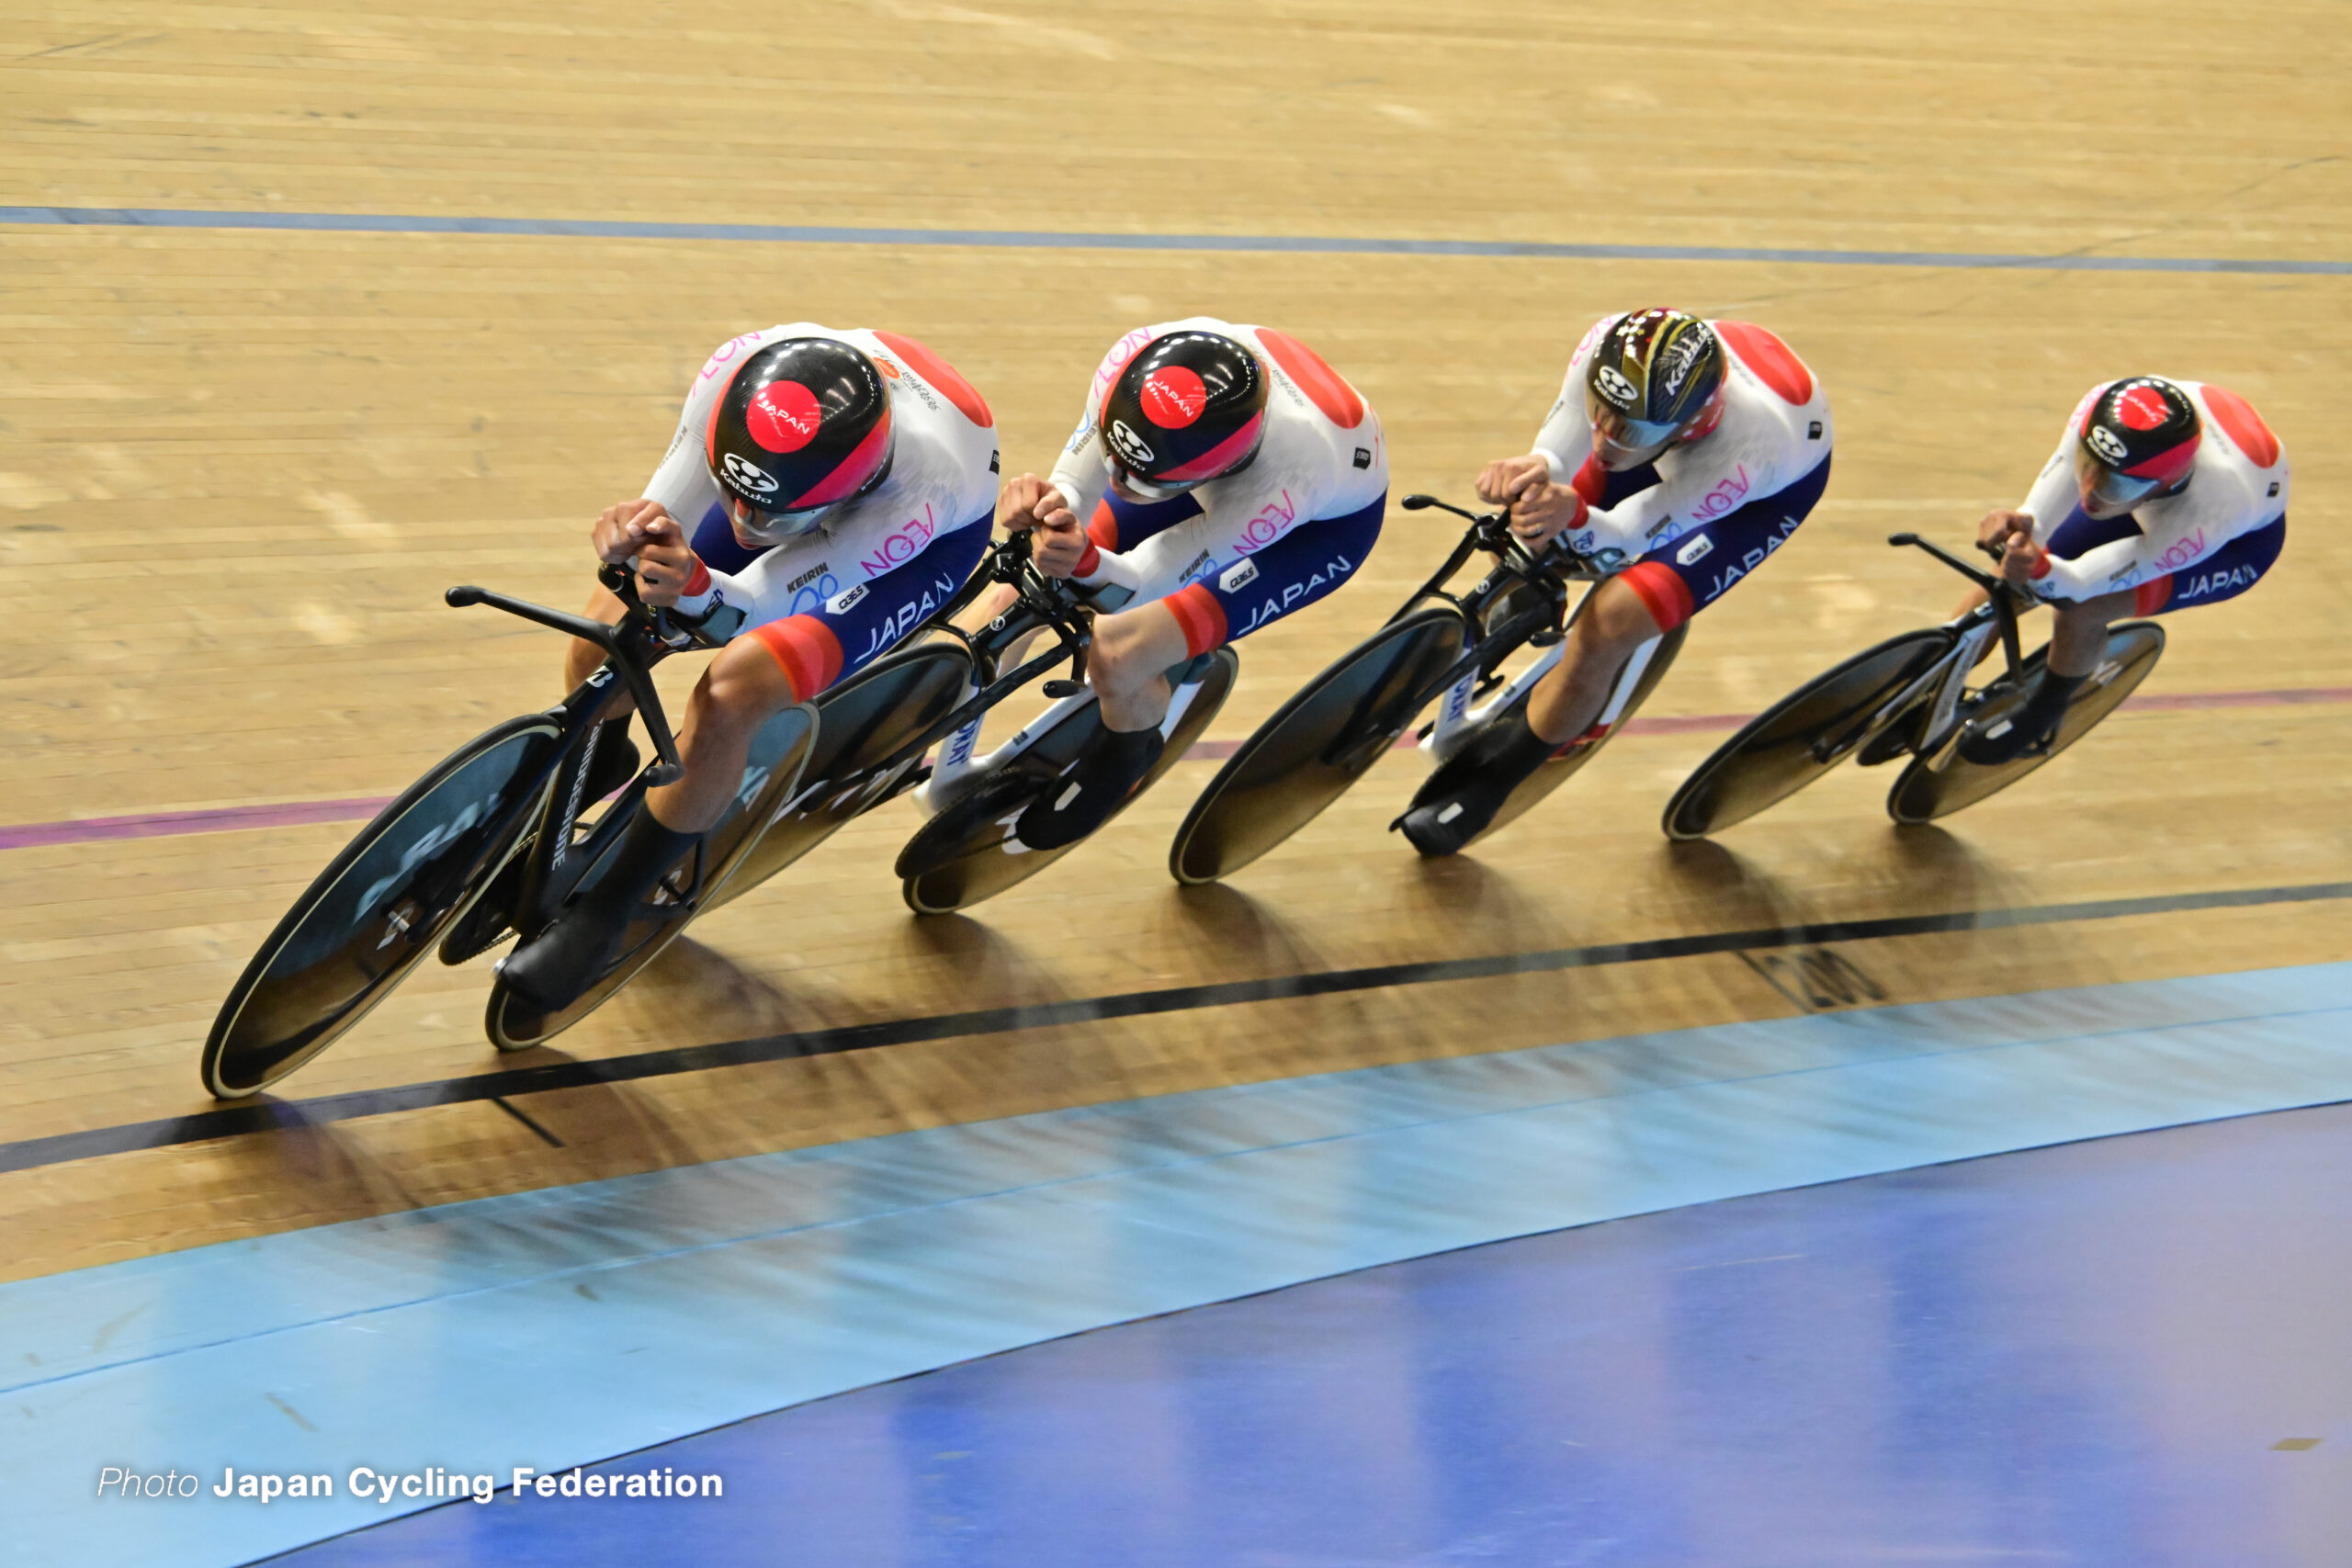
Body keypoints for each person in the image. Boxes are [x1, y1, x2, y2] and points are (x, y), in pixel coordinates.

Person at [500, 325, 1001, 1010]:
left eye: (767, 513)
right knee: (609, 625)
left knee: (735, 691)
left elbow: (753, 605)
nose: (743, 521)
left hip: (917, 547)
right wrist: (629, 541)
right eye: (734, 495)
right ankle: (605, 753)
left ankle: (608, 909)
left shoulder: (916, 498)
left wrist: (700, 588)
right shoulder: (732, 375)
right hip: (798, 469)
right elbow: (660, 517)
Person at [1401, 307, 1833, 854]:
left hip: (1755, 497)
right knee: (1529, 520)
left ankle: (1493, 786)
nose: (1604, 437)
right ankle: (1527, 608)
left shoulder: (1745, 456)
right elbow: (1560, 450)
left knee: (1610, 622)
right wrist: (1535, 471)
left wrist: (1576, 517)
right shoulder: (1609, 349)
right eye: (1599, 412)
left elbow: (1624, 538)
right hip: (1668, 437)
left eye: (1624, 428)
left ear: (1686, 425)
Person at [988, 318, 1388, 849]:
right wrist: (1053, 511)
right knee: (1016, 591)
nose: (1117, 485)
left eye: (1140, 480)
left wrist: (1084, 562)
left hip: (1317, 529)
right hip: (1195, 461)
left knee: (1117, 653)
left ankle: (1123, 760)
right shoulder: (1133, 359)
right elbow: (1077, 488)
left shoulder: (1284, 486)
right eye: (1114, 459)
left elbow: (1136, 584)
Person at [1956, 376, 2288, 761]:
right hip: (2148, 489)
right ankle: (1938, 668)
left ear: (2164, 484)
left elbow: (2078, 584)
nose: (2091, 492)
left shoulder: (2213, 510)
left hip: (2231, 548)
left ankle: (2043, 712)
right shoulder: (2104, 404)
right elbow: (2063, 471)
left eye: (2113, 485)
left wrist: (2042, 569)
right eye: (2090, 466)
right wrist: (2023, 528)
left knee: (2082, 609)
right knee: (2007, 581)